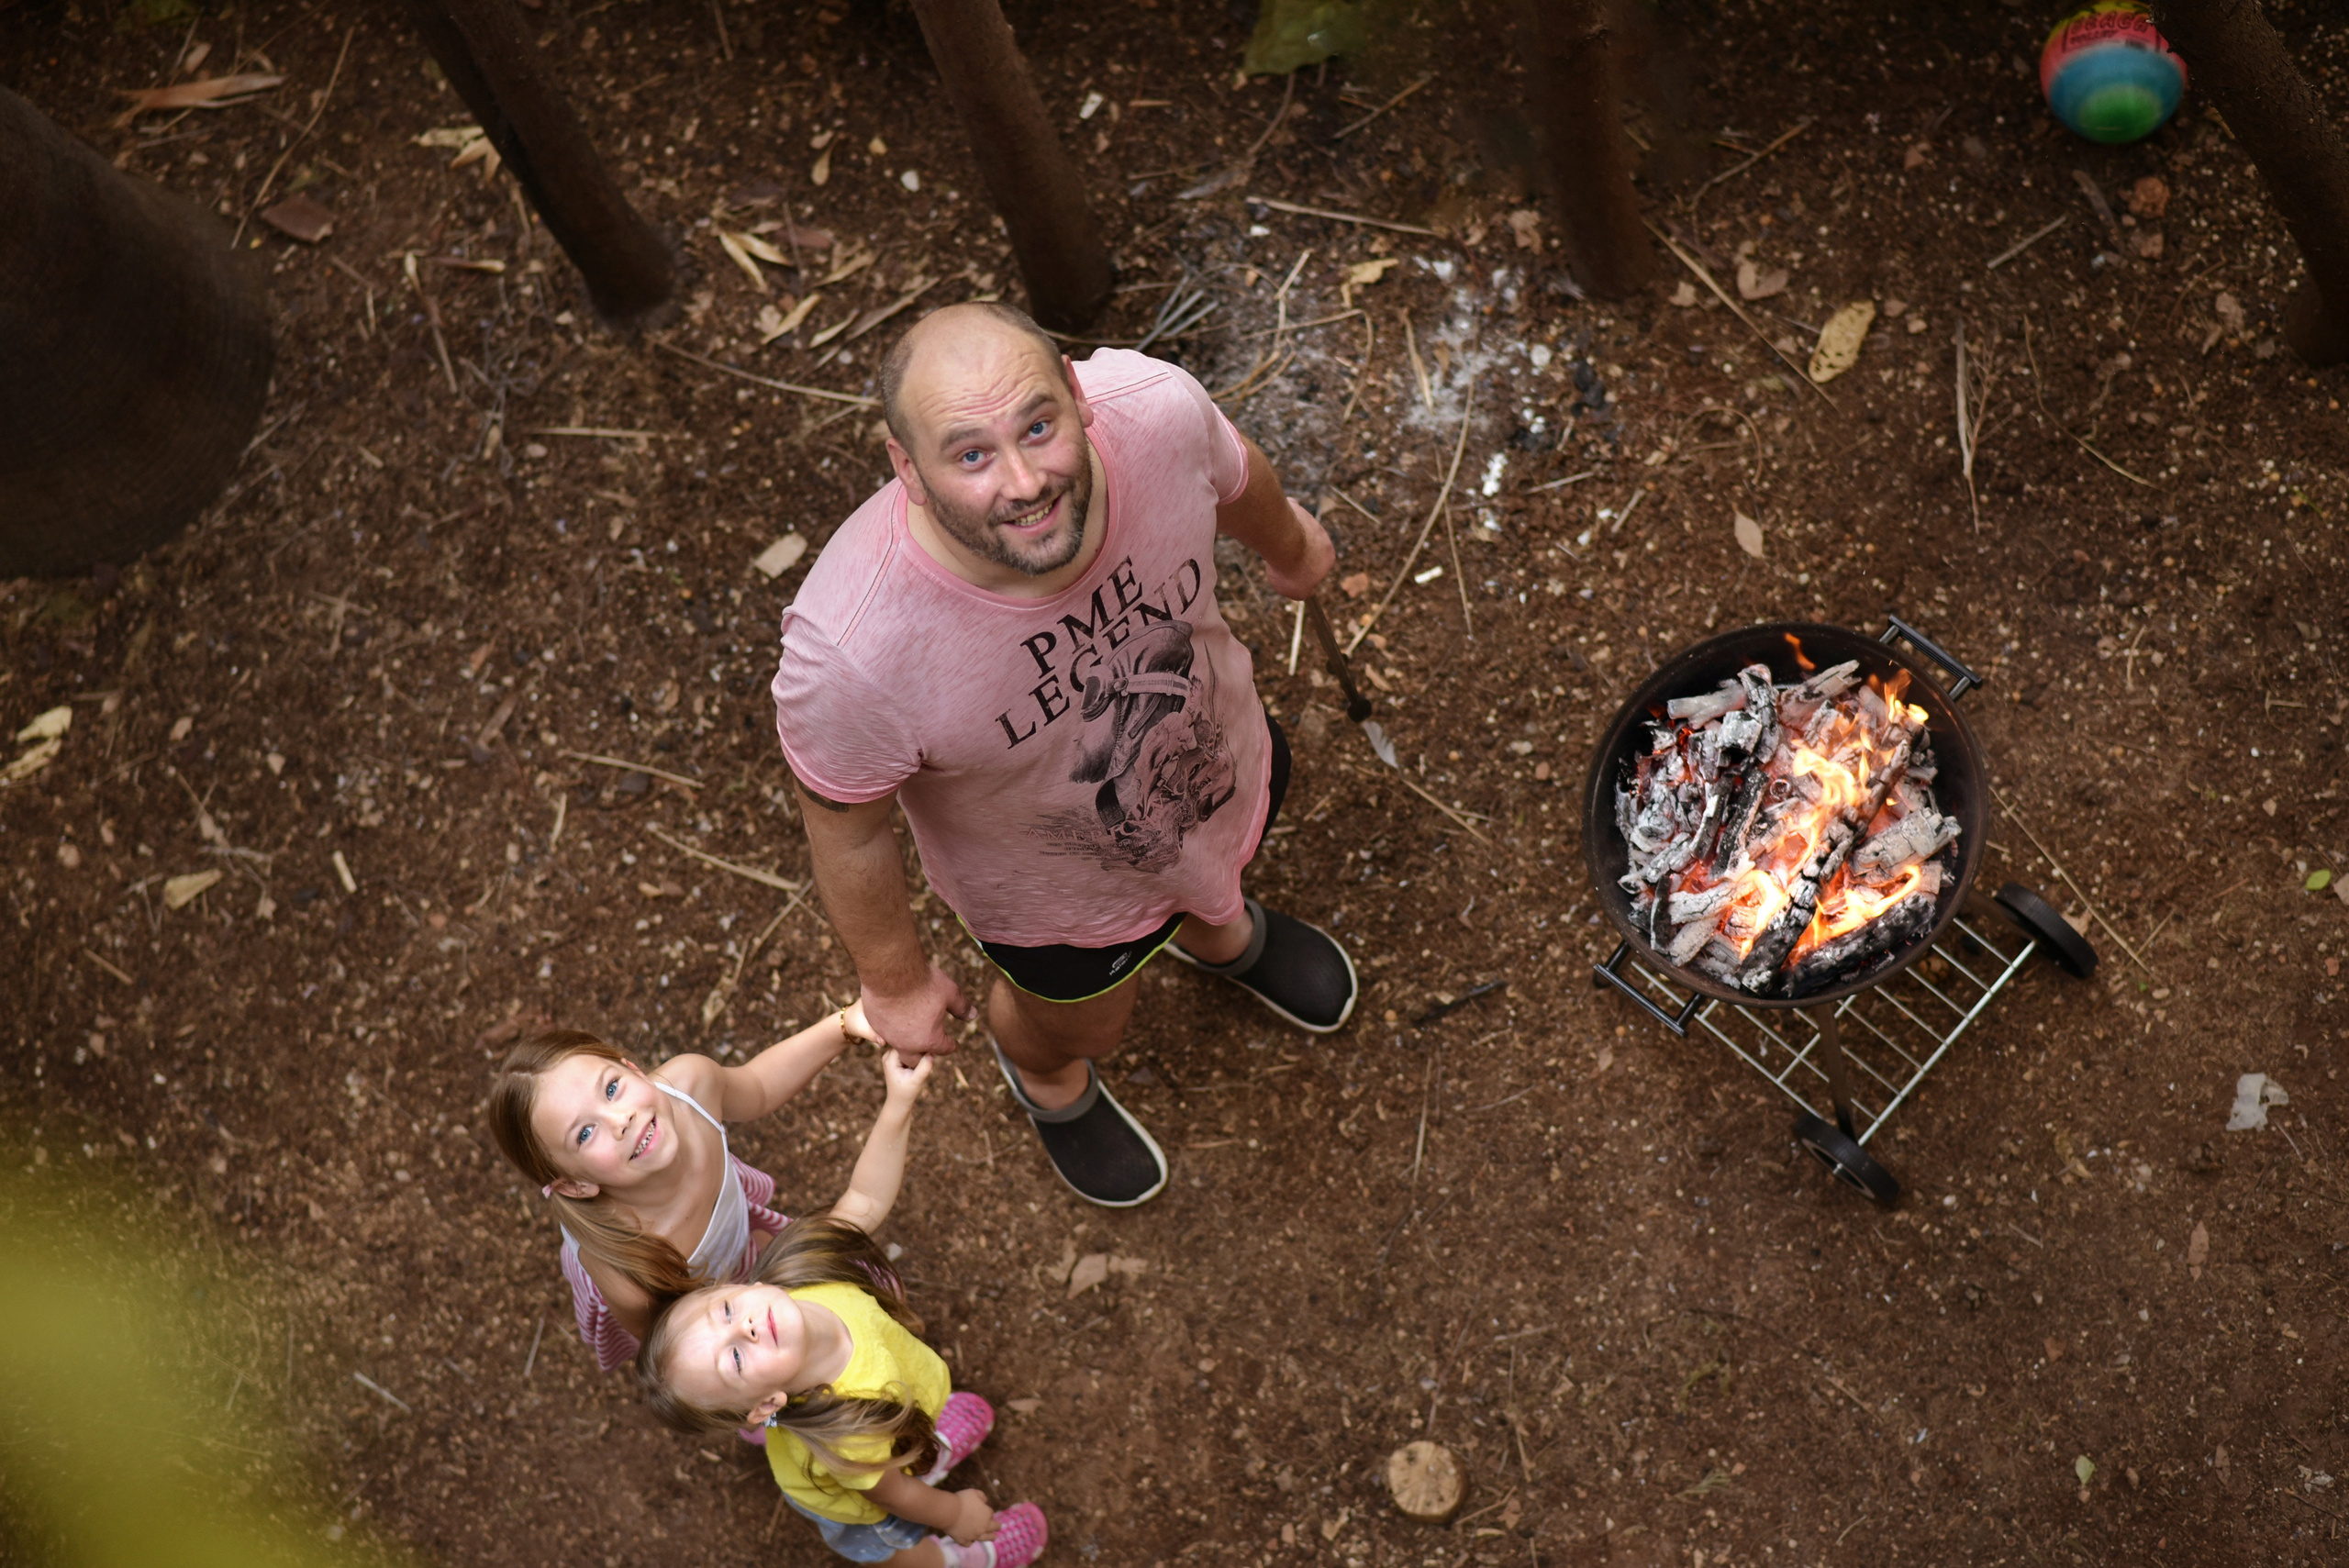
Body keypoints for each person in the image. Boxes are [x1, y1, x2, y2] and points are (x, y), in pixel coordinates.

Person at [770, 301, 1358, 1207]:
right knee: (1086, 1020)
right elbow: (845, 827)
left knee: (1231, 852)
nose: (1023, 480)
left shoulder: (1155, 410)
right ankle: (1047, 1075)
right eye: (969, 454)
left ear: (1079, 397)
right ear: (909, 471)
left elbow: (1234, 476)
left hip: (1215, 760)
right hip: (1056, 899)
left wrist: (1291, 545)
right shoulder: (852, 648)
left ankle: (1216, 927)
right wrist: (893, 982)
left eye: (1036, 427)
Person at [485, 1006, 913, 1371]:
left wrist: (842, 1025)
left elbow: (759, 1086)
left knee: (798, 1279)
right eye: (584, 1134)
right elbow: (671, 1343)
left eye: (612, 1088)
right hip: (684, 1297)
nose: (621, 1120)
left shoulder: (690, 1086)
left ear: (634, 1069)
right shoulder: (626, 1268)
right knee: (744, 1361)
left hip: (734, 1247)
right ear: (575, 1185)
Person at [639, 1216, 1047, 1568]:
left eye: (725, 1310)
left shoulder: (804, 1280)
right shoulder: (851, 1436)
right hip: (863, 1507)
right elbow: (897, 1495)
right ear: (767, 1403)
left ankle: (918, 1451)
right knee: (894, 1547)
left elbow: (863, 1204)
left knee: (895, 1451)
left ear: (744, 1284)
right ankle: (951, 1560)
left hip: (882, 1437)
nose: (744, 1327)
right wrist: (955, 1514)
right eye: (736, 1359)